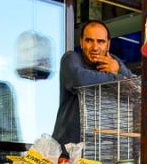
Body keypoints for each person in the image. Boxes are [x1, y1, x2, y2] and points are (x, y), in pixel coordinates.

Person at [52, 20, 133, 149]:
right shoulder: (71, 58)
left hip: (102, 150)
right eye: (89, 40)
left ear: (108, 44)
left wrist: (119, 69)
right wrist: (116, 76)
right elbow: (79, 80)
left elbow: (135, 87)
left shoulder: (113, 62)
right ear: (81, 42)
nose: (95, 47)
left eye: (101, 41)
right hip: (68, 151)